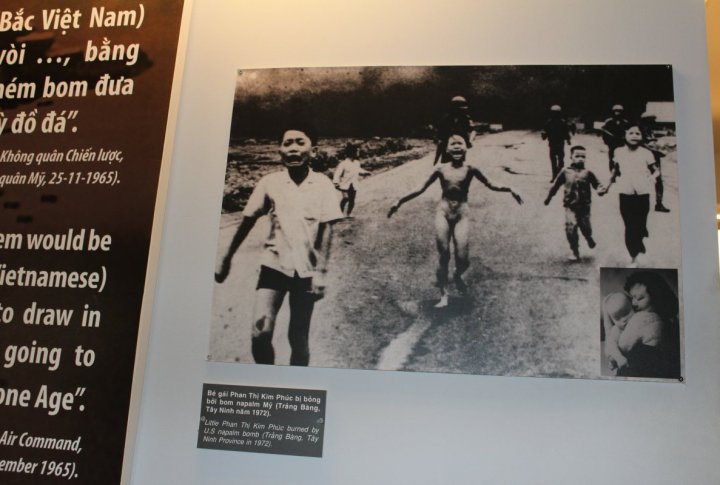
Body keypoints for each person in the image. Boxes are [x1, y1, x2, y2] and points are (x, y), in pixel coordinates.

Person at [215, 123, 344, 366]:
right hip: (274, 267)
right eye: (287, 143)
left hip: (306, 272)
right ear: (279, 152)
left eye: (300, 142)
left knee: (298, 338)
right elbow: (247, 220)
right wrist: (226, 257)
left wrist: (321, 273)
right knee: (259, 334)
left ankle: (293, 385)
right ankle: (267, 377)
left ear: (313, 151)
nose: (293, 148)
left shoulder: (323, 185)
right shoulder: (269, 183)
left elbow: (327, 228)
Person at [387, 132, 523, 308]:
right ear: (447, 149)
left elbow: (491, 184)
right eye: (453, 144)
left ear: (466, 147)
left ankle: (458, 275)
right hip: (443, 212)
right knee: (444, 254)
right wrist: (399, 200)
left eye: (460, 143)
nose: (457, 147)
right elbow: (419, 188)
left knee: (463, 259)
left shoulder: (471, 168)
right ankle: (444, 294)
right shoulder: (441, 169)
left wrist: (510, 188)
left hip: (461, 213)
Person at [600, 124, 660, 266]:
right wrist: (606, 187)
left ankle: (640, 238)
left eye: (637, 133)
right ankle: (634, 256)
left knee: (639, 225)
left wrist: (653, 177)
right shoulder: (618, 152)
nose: (634, 136)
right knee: (630, 226)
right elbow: (614, 173)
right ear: (625, 136)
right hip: (625, 193)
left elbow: (656, 170)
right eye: (631, 133)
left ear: (641, 137)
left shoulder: (646, 153)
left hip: (642, 193)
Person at [604, 272, 680, 379]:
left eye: (639, 298)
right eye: (632, 298)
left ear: (656, 297)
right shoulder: (671, 321)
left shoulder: (642, 319)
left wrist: (615, 357)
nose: (634, 304)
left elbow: (617, 345)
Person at [543, 145, 604, 261]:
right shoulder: (565, 172)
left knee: (586, 227)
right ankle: (575, 251)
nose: (580, 159)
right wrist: (548, 198)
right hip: (570, 206)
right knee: (571, 227)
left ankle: (588, 237)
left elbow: (598, 184)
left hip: (584, 206)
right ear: (571, 157)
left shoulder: (588, 173)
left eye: (583, 157)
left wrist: (600, 190)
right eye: (577, 156)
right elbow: (555, 186)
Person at [639, 113, 671, 213]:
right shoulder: (639, 131)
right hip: (644, 159)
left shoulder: (649, 131)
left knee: (658, 180)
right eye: (651, 121)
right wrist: (655, 150)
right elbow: (641, 145)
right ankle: (640, 204)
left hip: (654, 159)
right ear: (646, 121)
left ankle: (659, 203)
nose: (653, 123)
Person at [432, 96, 475, 165]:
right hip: (447, 146)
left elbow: (473, 130)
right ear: (454, 109)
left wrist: (470, 141)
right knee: (446, 166)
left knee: (459, 166)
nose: (462, 111)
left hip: (460, 145)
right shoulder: (446, 118)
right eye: (460, 109)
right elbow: (439, 134)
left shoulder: (466, 118)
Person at [333, 143, 371, 217]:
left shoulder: (357, 163)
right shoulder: (343, 163)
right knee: (346, 198)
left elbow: (359, 170)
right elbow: (337, 173)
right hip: (344, 184)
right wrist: (336, 182)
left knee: (352, 200)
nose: (358, 153)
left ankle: (348, 214)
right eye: (357, 151)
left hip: (353, 184)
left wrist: (365, 172)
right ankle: (339, 213)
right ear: (352, 153)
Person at [540, 104, 572, 181]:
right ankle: (556, 176)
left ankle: (558, 176)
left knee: (559, 161)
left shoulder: (560, 122)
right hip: (554, 144)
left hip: (558, 144)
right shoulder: (550, 122)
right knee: (555, 161)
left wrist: (568, 139)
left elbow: (566, 132)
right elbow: (545, 131)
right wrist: (544, 135)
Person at [601, 104, 630, 172]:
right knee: (612, 158)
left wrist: (625, 140)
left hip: (621, 143)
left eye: (619, 111)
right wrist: (607, 141)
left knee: (621, 158)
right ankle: (612, 171)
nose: (617, 113)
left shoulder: (625, 122)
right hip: (612, 144)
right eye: (616, 111)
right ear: (613, 112)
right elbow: (604, 133)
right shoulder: (609, 121)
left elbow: (627, 133)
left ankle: (620, 171)